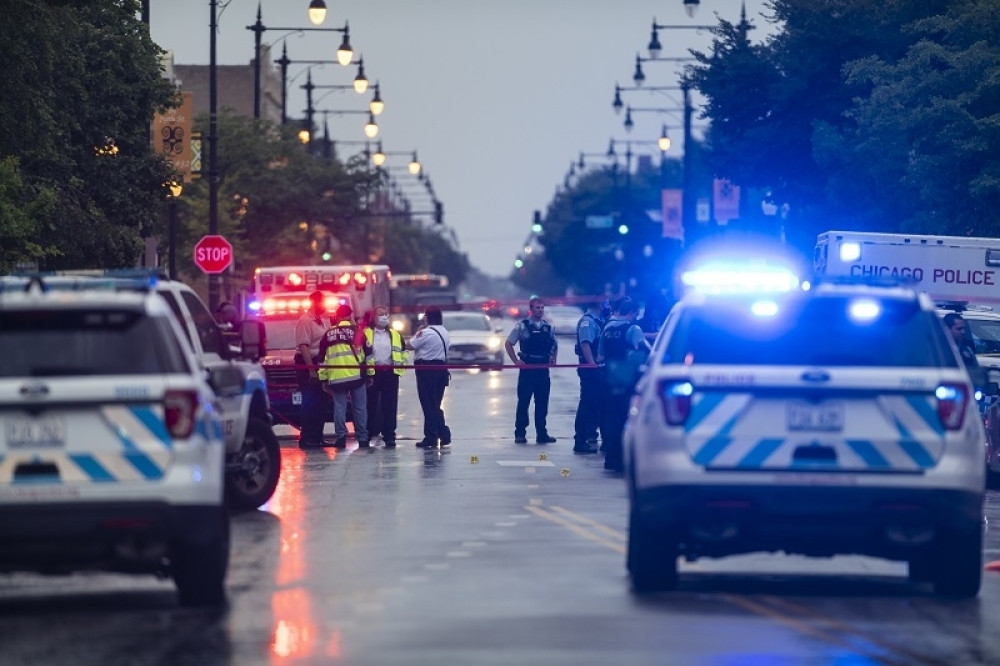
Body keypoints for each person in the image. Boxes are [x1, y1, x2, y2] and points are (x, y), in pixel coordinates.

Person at [598, 297, 650, 472]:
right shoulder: (633, 329)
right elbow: (646, 353)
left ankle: (611, 457)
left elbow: (601, 357)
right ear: (633, 312)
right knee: (626, 419)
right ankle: (623, 459)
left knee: (611, 417)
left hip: (608, 377)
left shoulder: (607, 329)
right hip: (627, 378)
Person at [504, 297, 558, 444]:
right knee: (524, 402)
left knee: (542, 403)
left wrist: (554, 358)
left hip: (543, 369)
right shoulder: (522, 326)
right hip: (528, 368)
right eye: (537, 308)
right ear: (531, 309)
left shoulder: (548, 327)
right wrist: (516, 361)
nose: (540, 310)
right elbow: (509, 343)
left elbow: (554, 344)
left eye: (542, 308)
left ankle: (542, 433)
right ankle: (520, 433)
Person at [318, 303, 370, 448]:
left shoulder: (328, 334)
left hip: (336, 377)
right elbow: (368, 354)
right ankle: (363, 438)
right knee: (359, 408)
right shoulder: (358, 332)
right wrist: (370, 374)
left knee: (339, 408)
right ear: (349, 316)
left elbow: (322, 358)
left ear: (338, 316)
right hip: (356, 377)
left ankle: (341, 438)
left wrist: (323, 378)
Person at [407, 306, 451, 448]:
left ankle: (436, 435)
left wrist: (418, 331)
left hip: (426, 371)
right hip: (441, 370)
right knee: (434, 404)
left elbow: (410, 345)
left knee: (428, 404)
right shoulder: (444, 331)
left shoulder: (425, 333)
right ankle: (439, 434)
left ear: (427, 317)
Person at [364, 305, 407, 448]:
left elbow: (403, 351)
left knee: (390, 405)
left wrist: (399, 367)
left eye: (385, 314)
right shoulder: (366, 333)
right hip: (373, 374)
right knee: (370, 404)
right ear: (373, 317)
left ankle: (389, 435)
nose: (384, 317)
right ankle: (368, 433)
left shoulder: (395, 334)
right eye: (380, 314)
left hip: (390, 373)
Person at [294, 291, 332, 448]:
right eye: (322, 302)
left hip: (320, 363)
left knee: (321, 401)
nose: (324, 306)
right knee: (310, 401)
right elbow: (304, 346)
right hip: (307, 362)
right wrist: (310, 369)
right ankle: (307, 437)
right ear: (315, 302)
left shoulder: (321, 321)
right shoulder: (305, 320)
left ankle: (318, 436)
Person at [572, 300, 605, 454]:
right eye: (605, 303)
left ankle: (590, 434)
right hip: (589, 369)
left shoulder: (598, 321)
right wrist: (592, 364)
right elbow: (585, 344)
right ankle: (580, 440)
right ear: (599, 305)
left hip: (595, 368)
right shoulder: (588, 322)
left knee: (595, 403)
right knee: (586, 403)